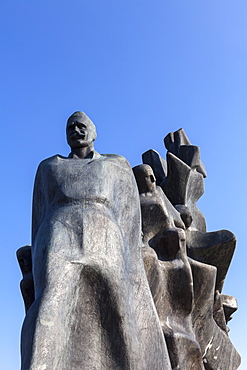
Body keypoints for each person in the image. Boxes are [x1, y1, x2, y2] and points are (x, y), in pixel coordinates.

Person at [20, 112, 171, 370]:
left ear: (94, 132)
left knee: (119, 303)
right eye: (70, 127)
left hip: (105, 233)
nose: (76, 130)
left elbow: (129, 215)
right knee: (50, 302)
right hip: (58, 231)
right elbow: (39, 214)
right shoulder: (49, 167)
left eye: (82, 126)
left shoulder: (115, 164)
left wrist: (129, 256)